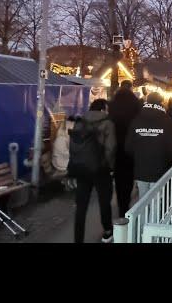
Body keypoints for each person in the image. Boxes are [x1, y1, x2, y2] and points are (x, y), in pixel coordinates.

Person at [69, 99, 116, 244]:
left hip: (82, 168)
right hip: (101, 169)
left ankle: (78, 238)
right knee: (104, 202)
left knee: (81, 206)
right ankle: (107, 232)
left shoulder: (79, 122)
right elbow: (111, 148)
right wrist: (111, 167)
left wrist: (74, 167)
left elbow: (73, 147)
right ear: (103, 109)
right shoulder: (108, 123)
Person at [125, 92, 172, 199]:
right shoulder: (166, 120)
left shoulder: (136, 120)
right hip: (159, 167)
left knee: (142, 201)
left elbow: (128, 146)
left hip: (141, 168)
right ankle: (153, 216)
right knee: (156, 200)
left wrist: (138, 156)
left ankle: (144, 216)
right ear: (161, 103)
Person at [108, 80, 142, 218]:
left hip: (116, 148)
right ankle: (128, 209)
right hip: (132, 147)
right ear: (131, 88)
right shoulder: (137, 104)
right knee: (129, 179)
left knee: (120, 179)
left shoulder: (112, 104)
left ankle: (122, 208)